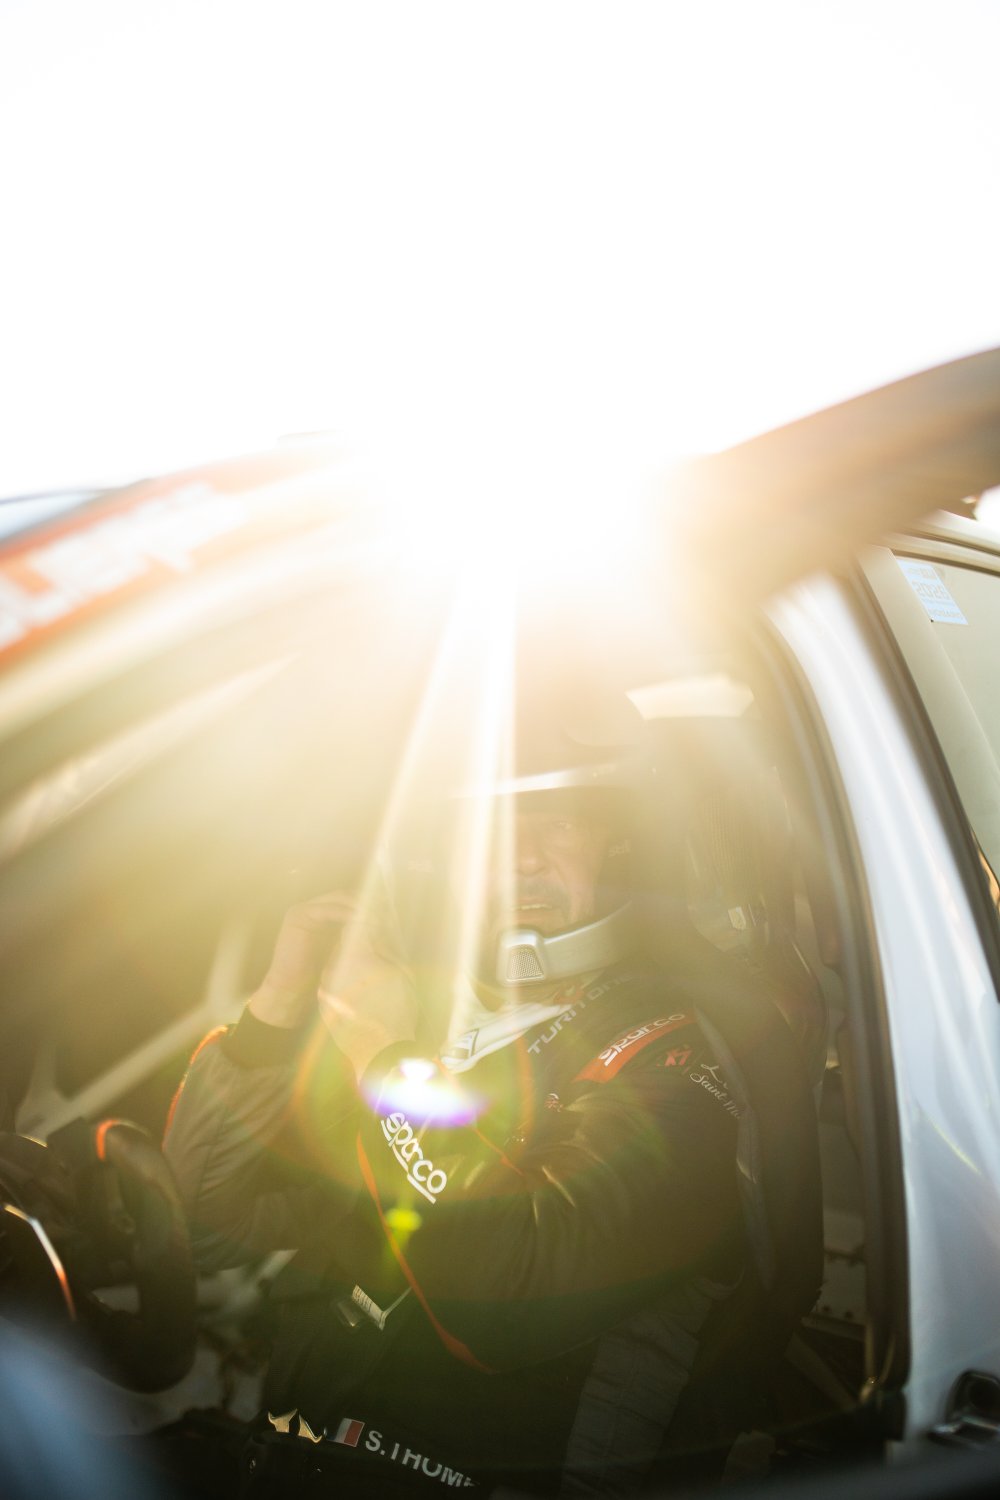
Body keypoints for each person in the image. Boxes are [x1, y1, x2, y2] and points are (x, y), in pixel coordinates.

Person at [162, 698, 821, 1497]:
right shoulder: (433, 1018)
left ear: (616, 839)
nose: (523, 858)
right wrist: (278, 1001)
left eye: (558, 822)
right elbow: (205, 1223)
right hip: (306, 1458)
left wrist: (391, 1064)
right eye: (495, 829)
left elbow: (508, 1298)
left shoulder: (677, 1061)